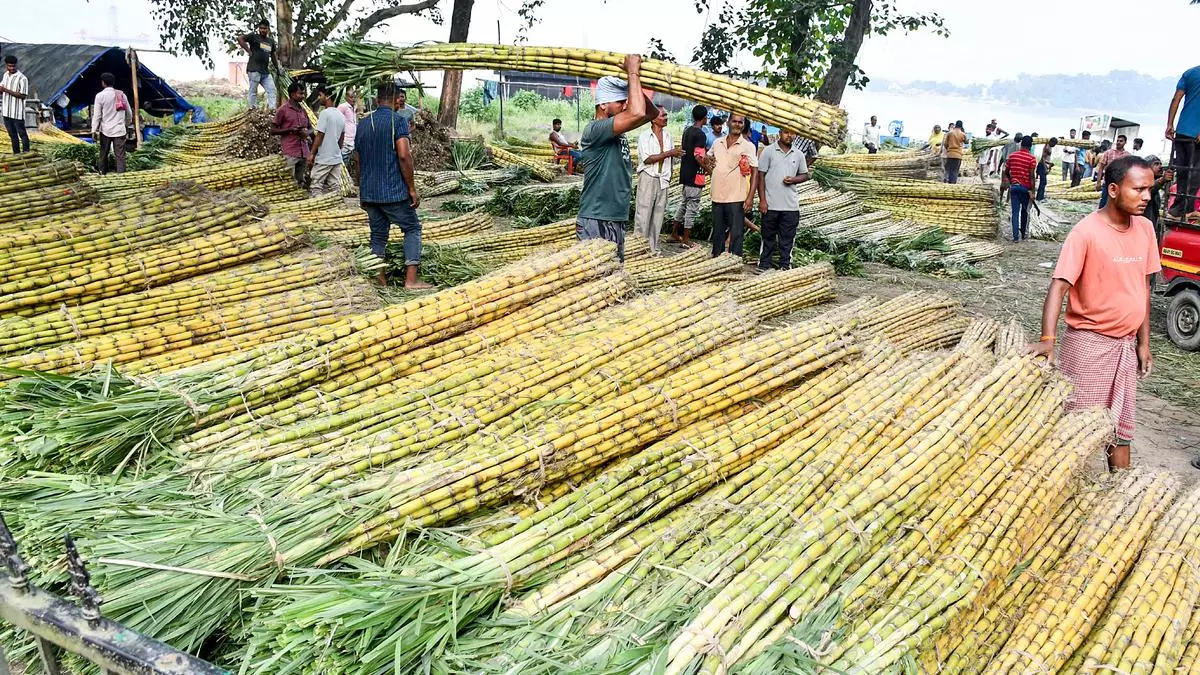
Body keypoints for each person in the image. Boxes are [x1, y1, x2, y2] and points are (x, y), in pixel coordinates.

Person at [1030, 155, 1160, 471]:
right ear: (1113, 189)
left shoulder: (1145, 229)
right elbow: (1058, 288)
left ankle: (1117, 492)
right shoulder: (1086, 232)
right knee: (1076, 430)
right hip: (1089, 346)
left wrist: (1144, 343)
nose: (1146, 197)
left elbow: (1143, 289)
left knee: (1121, 430)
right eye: (1138, 189)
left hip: (1125, 347)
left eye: (1150, 190)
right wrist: (1048, 340)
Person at [578, 57, 657, 262]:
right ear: (603, 104)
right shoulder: (595, 130)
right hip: (597, 217)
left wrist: (634, 79)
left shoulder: (616, 132)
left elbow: (651, 113)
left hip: (615, 216)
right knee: (595, 280)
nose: (625, 106)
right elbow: (638, 111)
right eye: (620, 102)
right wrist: (632, 72)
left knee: (613, 277)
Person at [353, 82, 430, 290]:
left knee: (378, 236)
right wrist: (412, 189)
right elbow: (404, 155)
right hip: (393, 191)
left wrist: (362, 189)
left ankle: (381, 281)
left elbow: (357, 159)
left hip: (369, 192)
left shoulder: (363, 123)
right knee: (412, 228)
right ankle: (411, 281)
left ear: (377, 100)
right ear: (397, 99)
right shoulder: (399, 122)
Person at [755, 128, 809, 270]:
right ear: (780, 133)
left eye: (792, 133)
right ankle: (764, 264)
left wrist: (794, 179)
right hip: (771, 204)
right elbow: (760, 176)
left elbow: (805, 174)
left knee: (787, 239)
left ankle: (785, 265)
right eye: (786, 132)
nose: (789, 135)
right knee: (768, 237)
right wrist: (762, 200)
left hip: (790, 206)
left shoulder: (798, 154)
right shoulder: (768, 151)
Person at [709, 113, 758, 258]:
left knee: (736, 233)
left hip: (736, 196)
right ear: (728, 122)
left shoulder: (748, 146)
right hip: (717, 194)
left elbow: (755, 171)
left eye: (740, 122)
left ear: (743, 125)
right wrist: (709, 166)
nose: (737, 124)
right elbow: (709, 157)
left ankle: (734, 261)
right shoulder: (718, 143)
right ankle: (716, 260)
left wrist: (750, 198)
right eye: (734, 121)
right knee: (718, 232)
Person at [633, 105, 680, 254]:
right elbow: (647, 159)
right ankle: (639, 248)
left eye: (666, 115)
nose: (666, 118)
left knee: (658, 215)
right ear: (653, 118)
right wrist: (669, 153)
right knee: (643, 214)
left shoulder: (668, 136)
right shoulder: (645, 136)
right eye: (663, 115)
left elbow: (670, 161)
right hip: (648, 177)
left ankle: (653, 248)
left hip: (663, 179)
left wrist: (669, 175)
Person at [670, 104, 709, 247]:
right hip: (695, 176)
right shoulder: (700, 134)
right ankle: (686, 238)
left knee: (683, 204)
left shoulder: (687, 131)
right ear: (705, 118)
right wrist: (709, 170)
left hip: (685, 173)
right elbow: (698, 157)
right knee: (692, 207)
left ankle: (674, 233)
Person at [1167, 64, 1200, 220]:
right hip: (1196, 135)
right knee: (1195, 173)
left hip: (1181, 131)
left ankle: (1177, 209)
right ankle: (1185, 210)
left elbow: (1176, 100)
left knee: (1182, 171)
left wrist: (1169, 124)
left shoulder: (1189, 73)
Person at [306, 84, 345, 197]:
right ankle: (338, 207)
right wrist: (336, 151)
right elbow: (341, 139)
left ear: (327, 96)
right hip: (336, 158)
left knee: (316, 186)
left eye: (320, 95)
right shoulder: (341, 116)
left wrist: (312, 153)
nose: (319, 98)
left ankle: (319, 209)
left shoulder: (325, 114)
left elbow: (320, 135)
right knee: (335, 186)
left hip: (324, 158)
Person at [90, 72, 132, 174]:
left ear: (103, 83)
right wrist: (125, 124)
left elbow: (97, 116)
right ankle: (121, 176)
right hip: (119, 130)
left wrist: (93, 130)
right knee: (120, 155)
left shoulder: (100, 96)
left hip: (105, 130)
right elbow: (129, 113)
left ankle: (102, 173)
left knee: (104, 153)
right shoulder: (121, 95)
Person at [271, 82, 311, 186]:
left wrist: (306, 133)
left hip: (303, 151)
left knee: (300, 182)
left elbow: (311, 128)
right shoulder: (283, 110)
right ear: (292, 95)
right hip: (290, 152)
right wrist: (290, 129)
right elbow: (273, 130)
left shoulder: (303, 111)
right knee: (289, 183)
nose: (303, 96)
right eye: (300, 93)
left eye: (303, 93)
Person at [238, 20, 278, 109]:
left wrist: (277, 68)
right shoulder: (254, 37)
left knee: (272, 90)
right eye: (261, 28)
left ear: (268, 29)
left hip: (265, 72)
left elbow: (273, 55)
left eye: (265, 28)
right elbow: (240, 38)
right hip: (254, 70)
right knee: (253, 91)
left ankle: (272, 110)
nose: (262, 30)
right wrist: (248, 50)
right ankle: (252, 109)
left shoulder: (270, 41)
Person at [1006, 136, 1037, 242]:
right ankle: (1023, 234)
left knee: (1015, 212)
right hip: (1026, 189)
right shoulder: (1032, 159)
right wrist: (1032, 191)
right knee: (1025, 211)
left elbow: (1006, 171)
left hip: (1014, 187)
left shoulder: (1012, 156)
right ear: (1030, 146)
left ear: (1021, 144)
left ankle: (1015, 237)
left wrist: (1012, 181)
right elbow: (1032, 176)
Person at [0, 55, 29, 154]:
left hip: (17, 112)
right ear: (6, 66)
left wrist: (5, 90)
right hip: (6, 111)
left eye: (13, 66)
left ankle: (26, 153)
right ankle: (16, 154)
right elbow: (2, 87)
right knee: (12, 135)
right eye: (9, 66)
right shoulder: (5, 75)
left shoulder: (22, 78)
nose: (11, 68)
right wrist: (1, 90)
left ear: (16, 65)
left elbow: (22, 95)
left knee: (22, 134)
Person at [1143, 155, 1172, 240]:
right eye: (1156, 164)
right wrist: (1162, 180)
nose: (1160, 167)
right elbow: (1148, 189)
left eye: (1160, 164)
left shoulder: (1154, 182)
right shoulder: (1143, 181)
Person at [1096, 135, 1129, 208]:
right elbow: (1101, 167)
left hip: (1120, 184)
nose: (1118, 142)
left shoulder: (1127, 156)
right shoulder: (1108, 152)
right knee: (1103, 203)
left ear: (1125, 142)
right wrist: (1098, 182)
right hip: (1107, 183)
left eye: (1121, 141)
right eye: (1117, 141)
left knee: (1116, 204)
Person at [338, 89, 359, 171]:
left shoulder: (353, 107)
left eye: (354, 97)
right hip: (345, 140)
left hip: (352, 140)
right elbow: (337, 120)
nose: (353, 99)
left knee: (350, 162)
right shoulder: (343, 107)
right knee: (343, 162)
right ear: (346, 97)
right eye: (351, 97)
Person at [1037, 137, 1057, 201]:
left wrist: (1049, 164)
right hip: (1042, 165)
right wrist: (1045, 168)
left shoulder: (1049, 146)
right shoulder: (1047, 147)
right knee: (1043, 182)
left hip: (1044, 165)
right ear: (1051, 142)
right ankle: (1039, 198)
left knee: (1043, 182)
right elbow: (1043, 158)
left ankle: (1040, 196)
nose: (1054, 145)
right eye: (1054, 144)